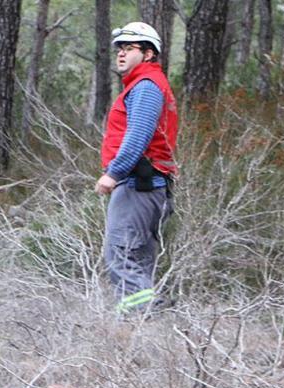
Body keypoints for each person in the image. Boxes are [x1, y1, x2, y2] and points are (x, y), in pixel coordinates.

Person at [95, 22, 178, 314]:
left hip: (139, 186)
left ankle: (136, 322)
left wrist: (112, 174)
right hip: (150, 186)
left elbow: (138, 136)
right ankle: (150, 326)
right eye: (120, 48)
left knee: (120, 254)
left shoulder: (146, 87)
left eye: (129, 48)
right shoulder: (144, 86)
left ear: (148, 54)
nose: (121, 54)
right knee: (139, 259)